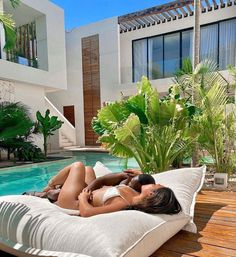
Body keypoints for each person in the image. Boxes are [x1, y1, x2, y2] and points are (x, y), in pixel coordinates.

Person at [36, 162, 181, 217]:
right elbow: (146, 181)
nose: (156, 183)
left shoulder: (124, 204)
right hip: (87, 192)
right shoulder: (135, 193)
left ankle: (51, 183)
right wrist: (139, 174)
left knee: (78, 166)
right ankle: (55, 189)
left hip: (73, 202)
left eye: (157, 186)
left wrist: (82, 199)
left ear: (151, 193)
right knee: (88, 169)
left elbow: (87, 213)